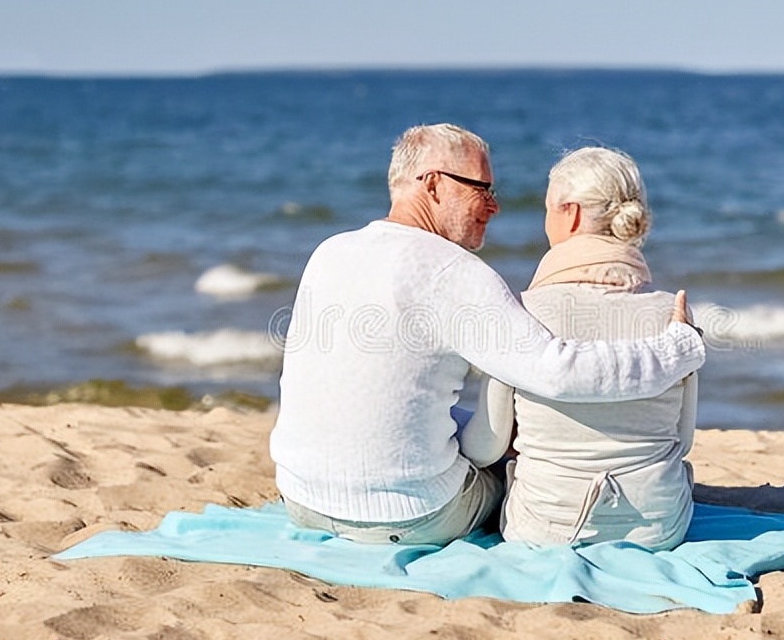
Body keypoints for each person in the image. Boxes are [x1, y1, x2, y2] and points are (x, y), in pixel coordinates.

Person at [269, 125, 705, 546]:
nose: (494, 207)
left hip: (300, 498)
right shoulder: (454, 272)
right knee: (507, 470)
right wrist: (677, 349)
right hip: (409, 515)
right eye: (482, 189)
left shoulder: (330, 252)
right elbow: (557, 373)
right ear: (434, 184)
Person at [460, 147, 698, 550]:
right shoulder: (672, 313)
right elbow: (683, 439)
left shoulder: (523, 312)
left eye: (548, 209)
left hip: (545, 530)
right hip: (661, 528)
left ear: (569, 213)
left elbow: (486, 447)